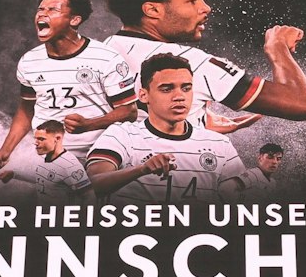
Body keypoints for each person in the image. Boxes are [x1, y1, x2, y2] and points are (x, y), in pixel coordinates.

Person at [99, 0, 306, 135]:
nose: (205, 8)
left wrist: (196, 123)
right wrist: (277, 47)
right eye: (192, 0)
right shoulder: (189, 63)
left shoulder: (102, 52)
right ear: (153, 10)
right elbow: (302, 105)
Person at [0, 0, 138, 169]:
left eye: (52, 9)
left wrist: (89, 125)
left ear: (74, 20)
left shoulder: (106, 57)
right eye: (40, 9)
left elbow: (129, 111)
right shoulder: (29, 61)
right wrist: (5, 151)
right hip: (51, 163)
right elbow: (27, 109)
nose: (42, 14)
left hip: (99, 160)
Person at [86, 54, 248, 203]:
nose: (179, 96)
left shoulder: (219, 144)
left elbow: (239, 198)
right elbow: (91, 187)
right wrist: (141, 170)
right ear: (144, 95)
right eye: (166, 89)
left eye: (186, 88)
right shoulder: (121, 135)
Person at [0, 119, 93, 200]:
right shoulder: (49, 158)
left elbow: (89, 196)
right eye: (36, 139)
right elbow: (45, 177)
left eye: (41, 139)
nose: (36, 143)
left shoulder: (70, 165)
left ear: (57, 139)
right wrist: (14, 174)